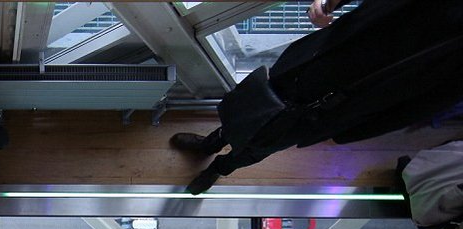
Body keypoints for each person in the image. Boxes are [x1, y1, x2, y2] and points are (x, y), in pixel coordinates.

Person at [169, 0, 463, 194]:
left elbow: (423, 107)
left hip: (356, 99)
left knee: (274, 138)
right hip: (334, 52)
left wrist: (357, 130)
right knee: (257, 100)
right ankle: (214, 141)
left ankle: (223, 166)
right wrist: (332, 4)